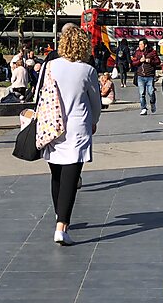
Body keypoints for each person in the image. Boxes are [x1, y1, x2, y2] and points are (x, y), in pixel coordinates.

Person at [41, 26, 102, 246]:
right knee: (71, 176)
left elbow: (40, 94)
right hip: (77, 126)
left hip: (51, 125)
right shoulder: (87, 71)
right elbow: (96, 103)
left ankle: (59, 214)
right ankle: (62, 226)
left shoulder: (50, 66)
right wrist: (94, 121)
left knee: (56, 174)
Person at [131, 38, 160, 115]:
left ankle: (152, 103)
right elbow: (133, 63)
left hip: (150, 76)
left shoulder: (152, 52)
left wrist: (150, 61)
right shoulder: (137, 53)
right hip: (140, 76)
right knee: (142, 93)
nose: (139, 46)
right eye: (139, 44)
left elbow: (158, 61)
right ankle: (143, 108)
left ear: (145, 45)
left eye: (141, 44)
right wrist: (139, 61)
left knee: (151, 92)